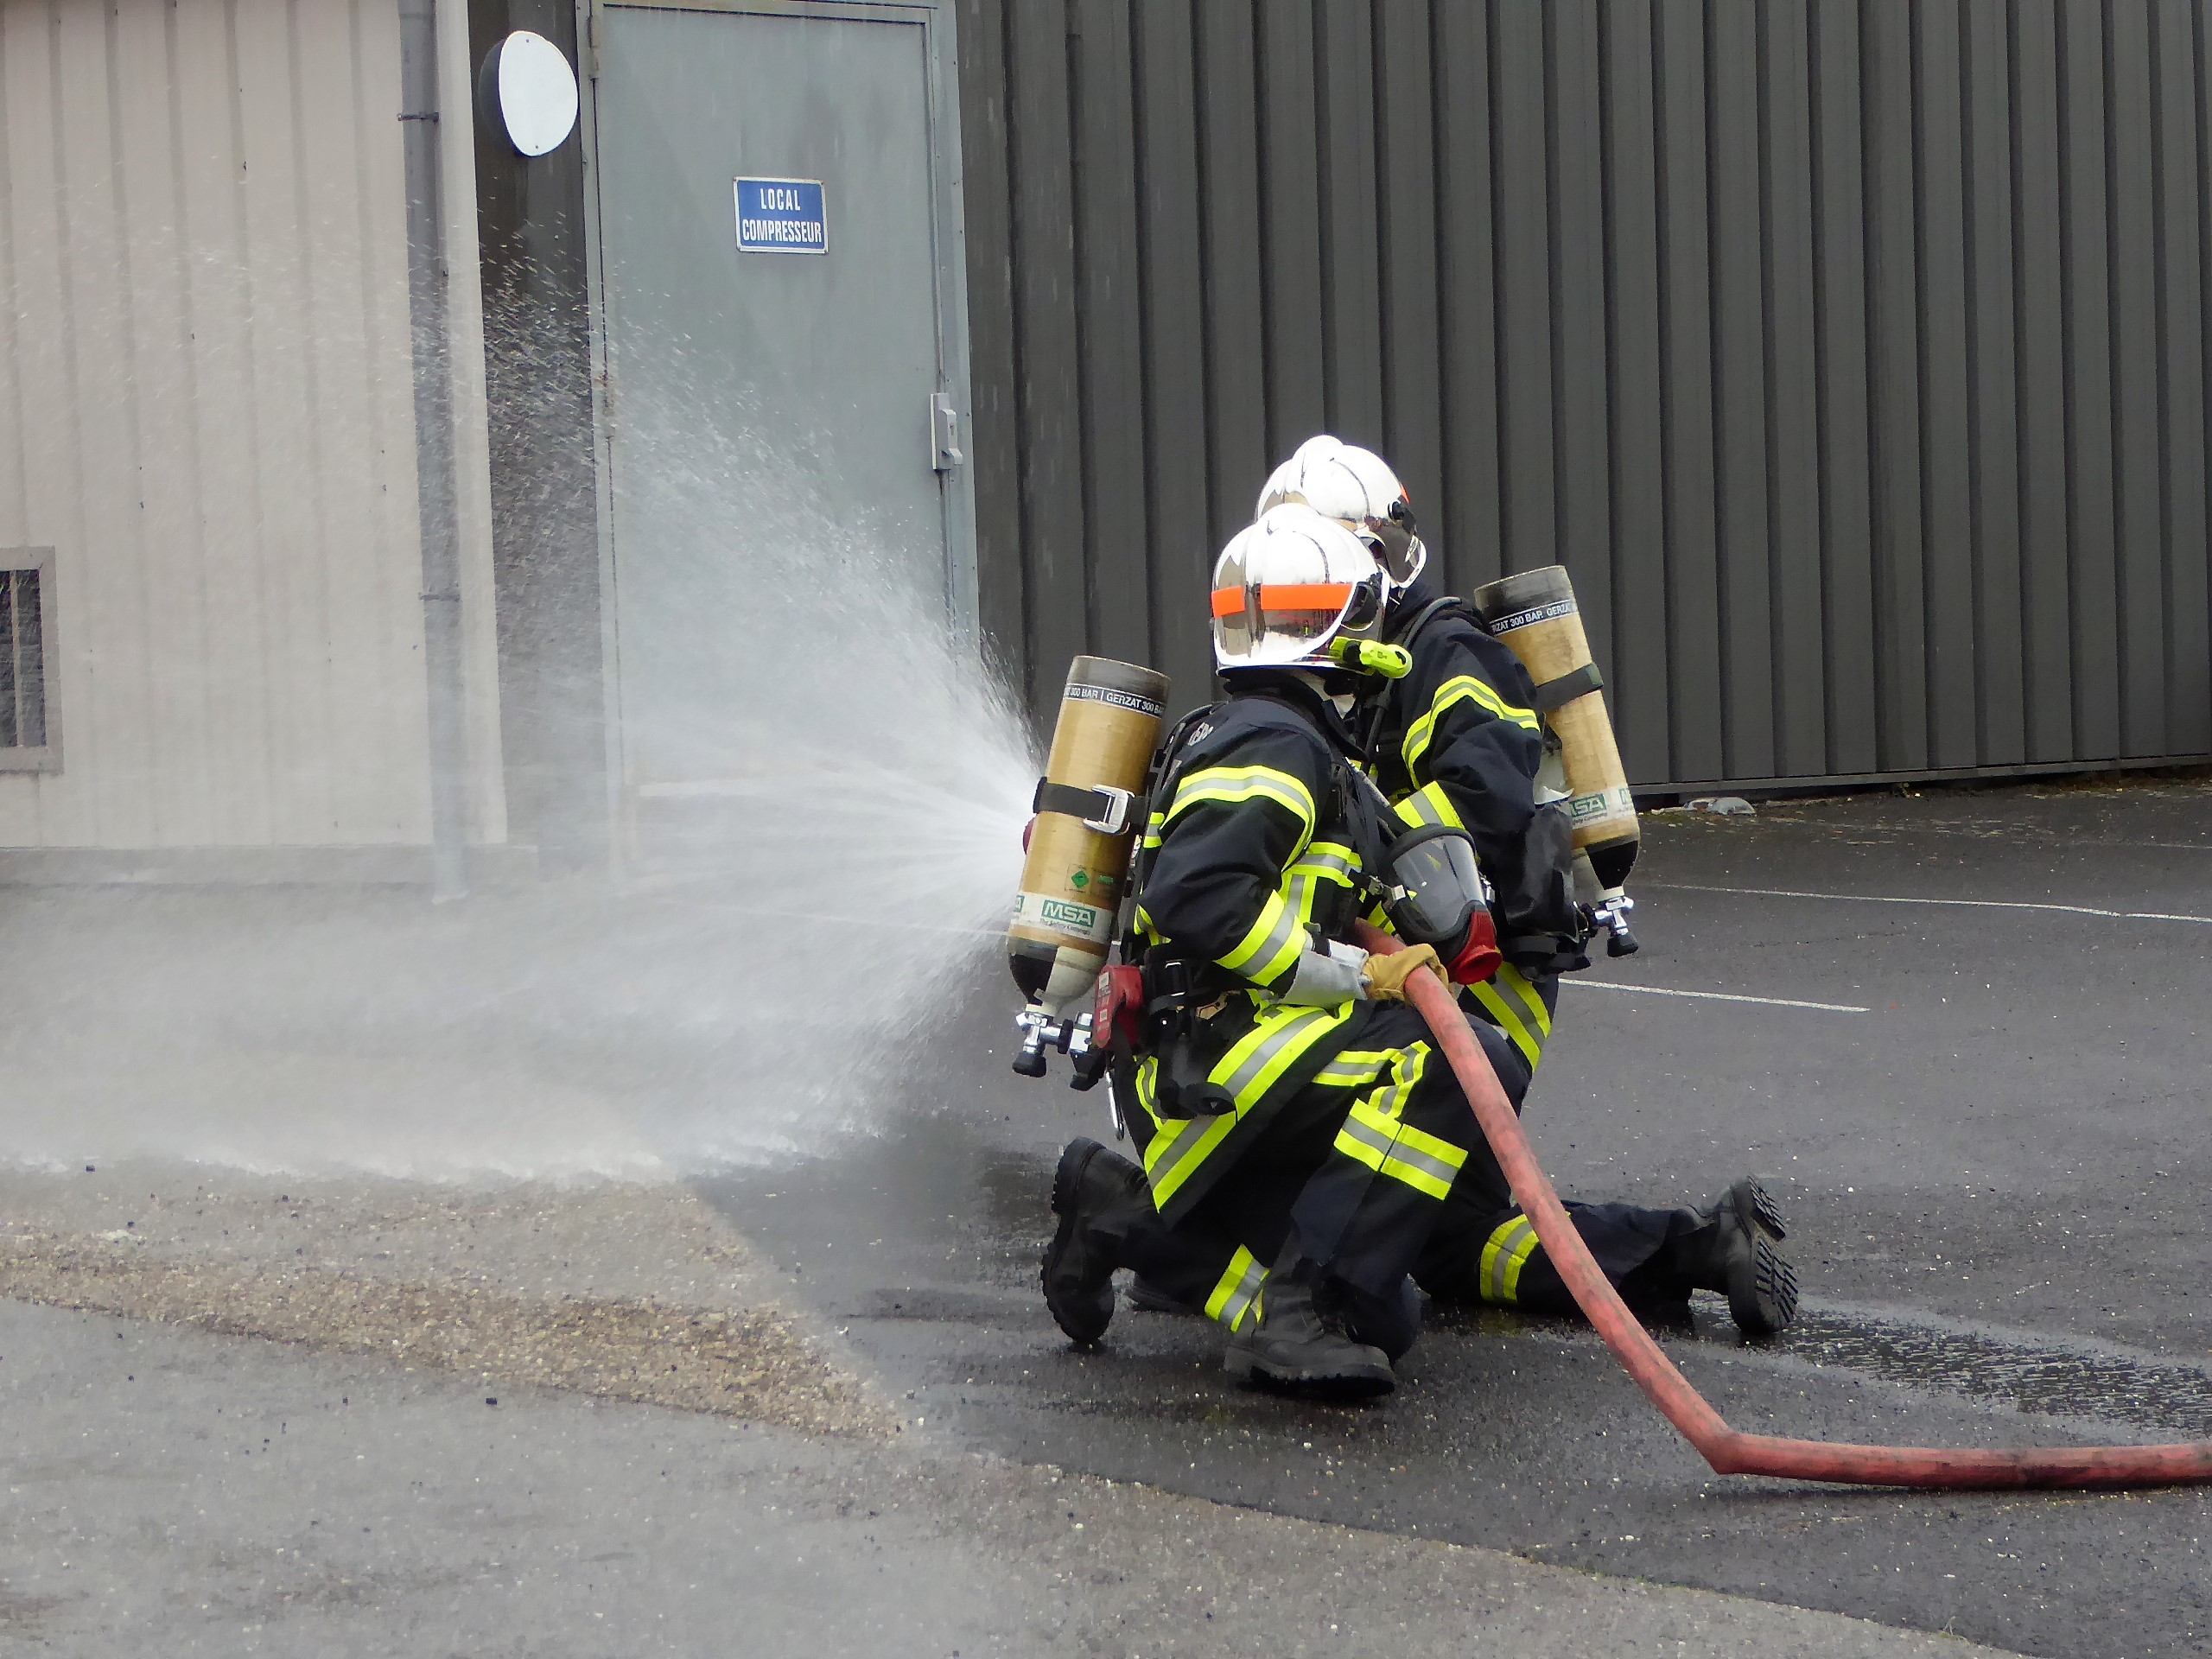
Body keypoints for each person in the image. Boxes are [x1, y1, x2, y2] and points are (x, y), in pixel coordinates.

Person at [1251, 435, 1796, 1333]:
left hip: (1480, 965)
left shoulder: (1446, 654)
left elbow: (1485, 801)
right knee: (1446, 1234)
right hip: (1415, 958)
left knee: (1398, 1203)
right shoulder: (1345, 667)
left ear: (1373, 561)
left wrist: (1341, 854)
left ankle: (1700, 1245)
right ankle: (1701, 1249)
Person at [1042, 504, 1492, 1397]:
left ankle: (1115, 1212)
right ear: (1341, 627)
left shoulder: (1270, 733)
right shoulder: (1277, 743)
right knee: (1457, 1058)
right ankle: (1295, 1316)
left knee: (1385, 1321)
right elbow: (1200, 898)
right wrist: (1361, 974)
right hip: (1225, 1059)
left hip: (1219, 1064)